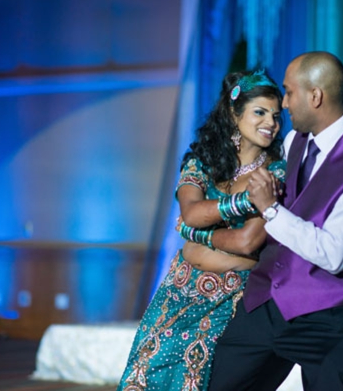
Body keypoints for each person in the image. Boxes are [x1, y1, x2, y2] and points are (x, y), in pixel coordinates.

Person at [208, 51, 343, 391]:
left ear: (316, 96)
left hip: (325, 316)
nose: (283, 103)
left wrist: (271, 209)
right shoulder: (295, 140)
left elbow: (335, 253)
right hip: (265, 301)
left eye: (289, 92)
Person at [117, 70, 286, 391]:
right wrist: (245, 202)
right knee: (146, 372)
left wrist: (196, 234)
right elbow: (192, 213)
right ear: (234, 115)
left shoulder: (277, 171)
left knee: (196, 382)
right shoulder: (202, 161)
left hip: (227, 298)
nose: (271, 123)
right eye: (260, 112)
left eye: (276, 116)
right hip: (178, 291)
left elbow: (247, 241)